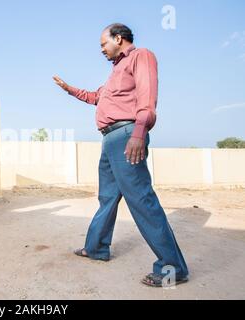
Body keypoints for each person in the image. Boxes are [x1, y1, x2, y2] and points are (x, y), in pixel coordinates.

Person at [53, 23, 189, 287]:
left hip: (127, 135)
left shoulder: (141, 56)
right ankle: (96, 249)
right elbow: (95, 97)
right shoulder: (114, 73)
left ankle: (173, 269)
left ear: (119, 38)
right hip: (109, 139)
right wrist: (69, 89)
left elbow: (148, 97)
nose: (102, 50)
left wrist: (139, 132)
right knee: (107, 198)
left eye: (104, 44)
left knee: (141, 200)